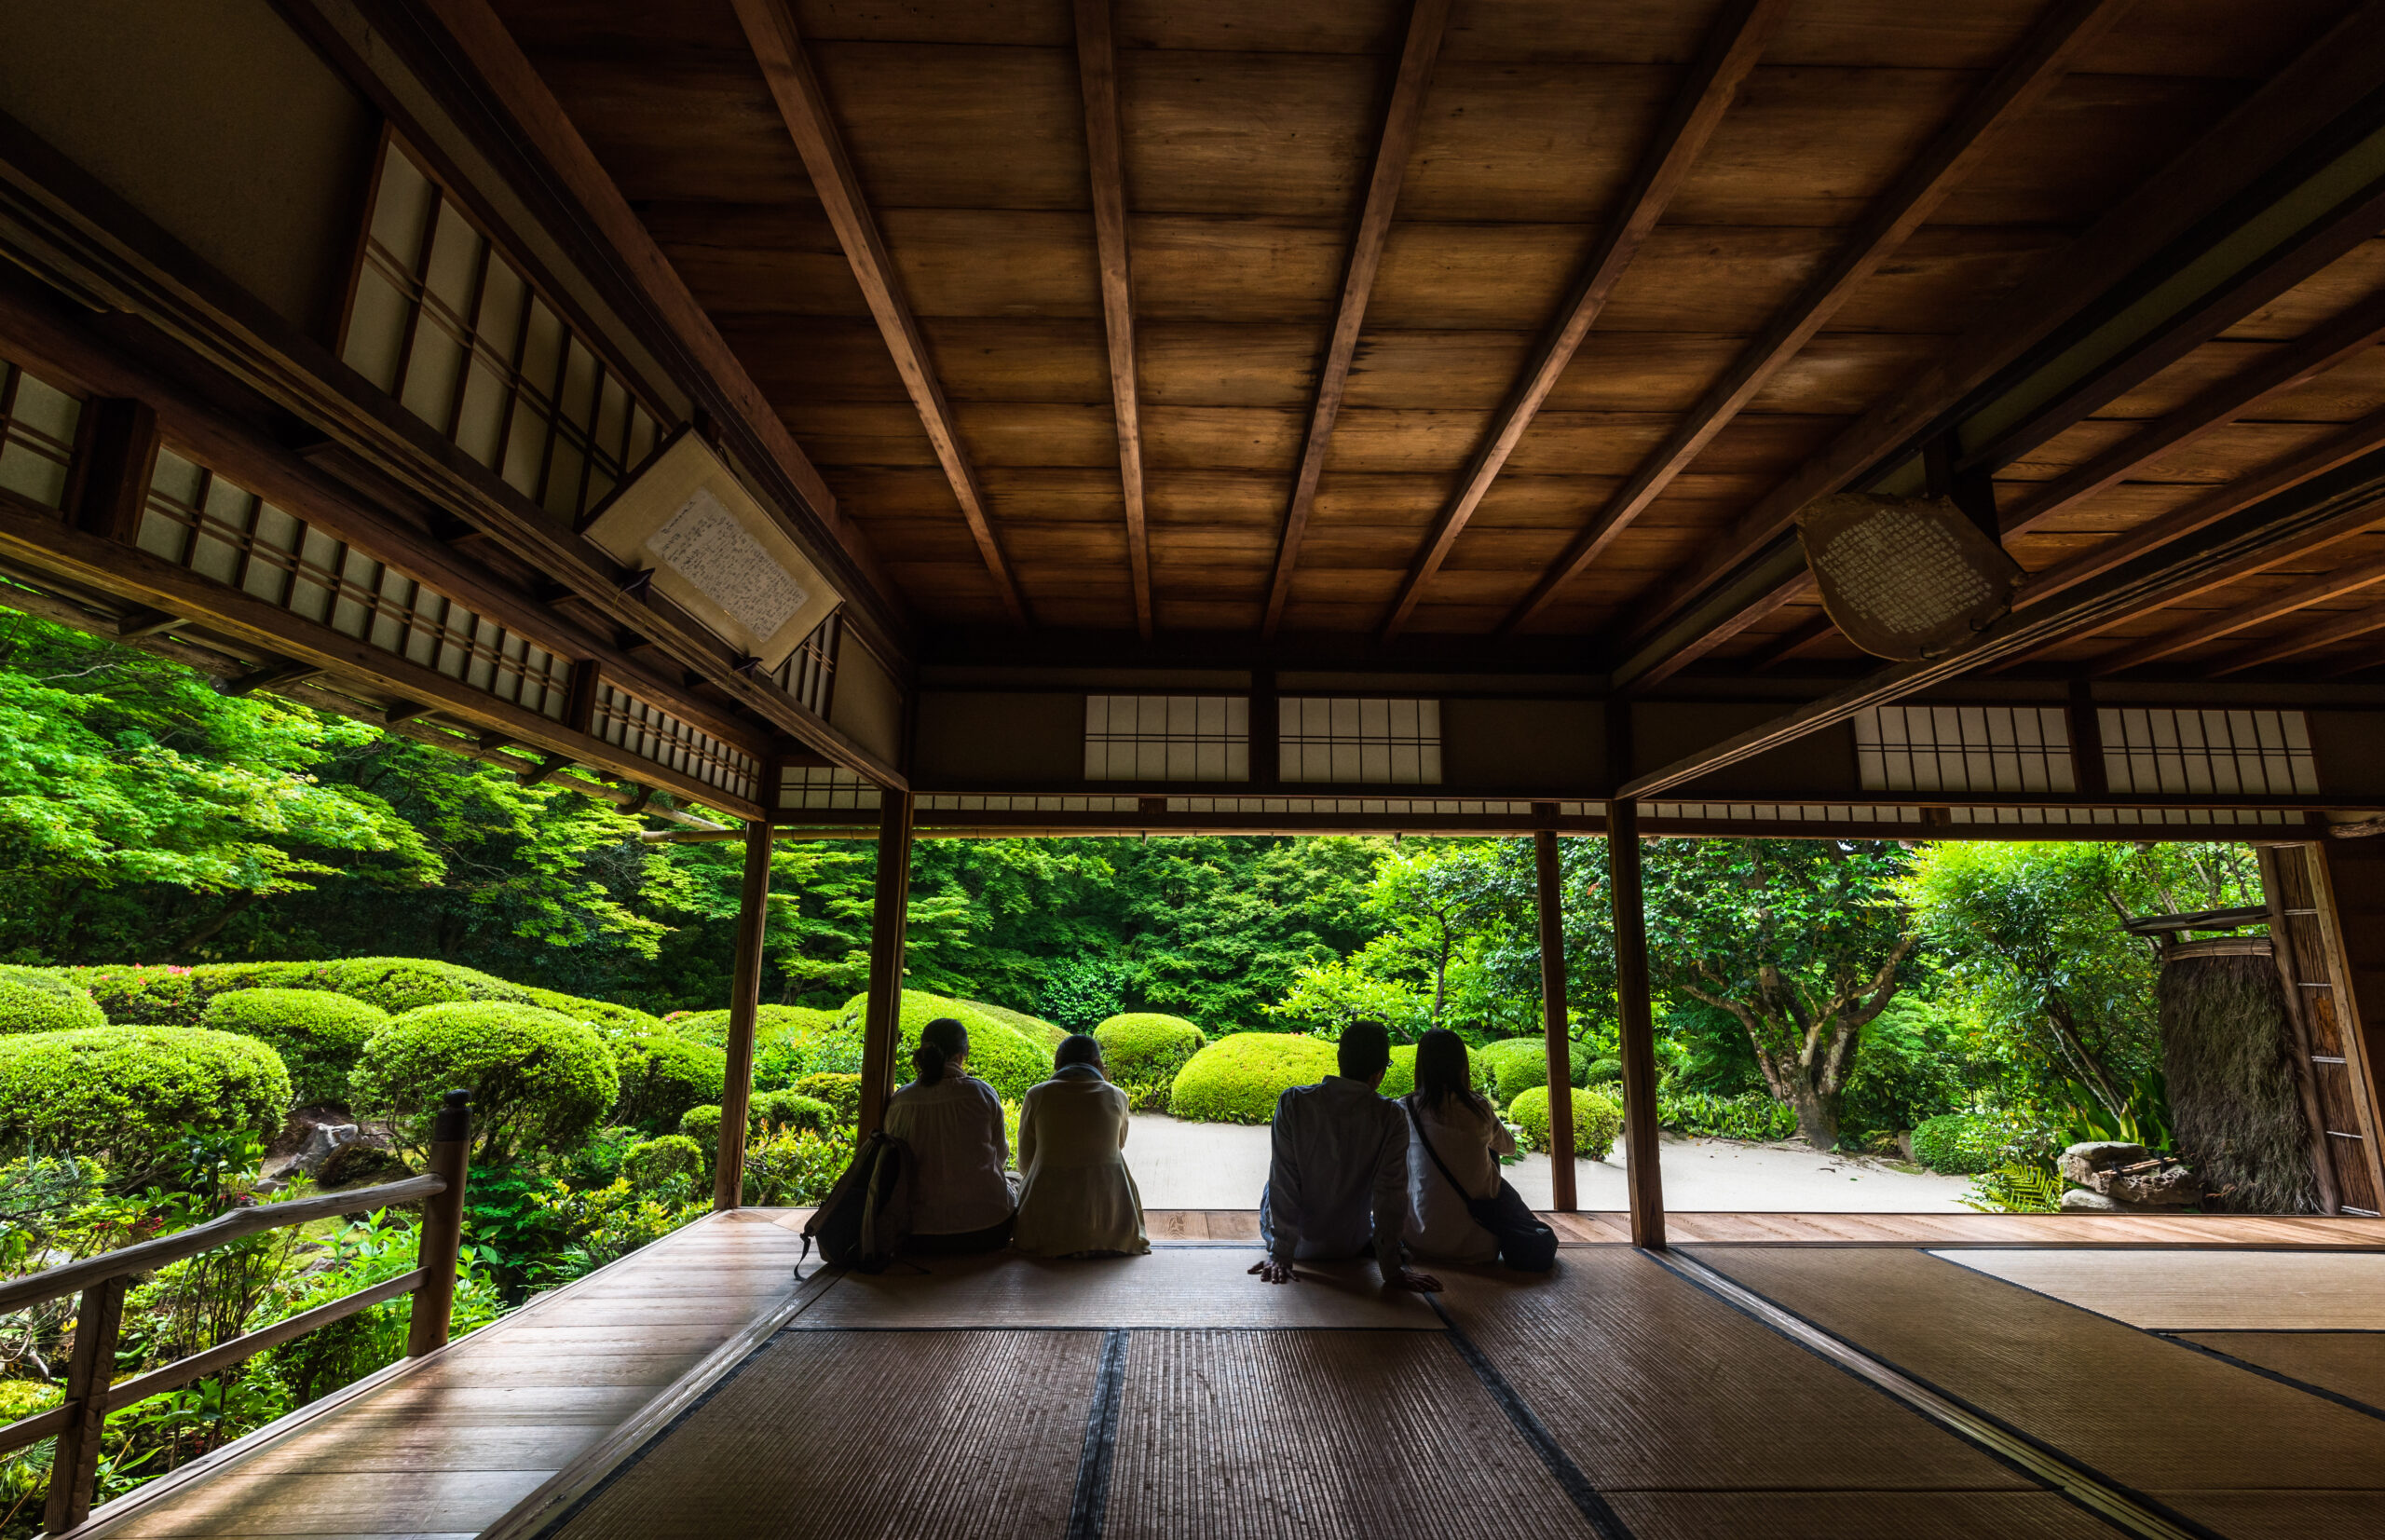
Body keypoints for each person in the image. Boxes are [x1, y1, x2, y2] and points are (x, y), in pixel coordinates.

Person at [1251, 1020, 1441, 1292]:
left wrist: (1281, 1255)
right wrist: (1392, 1269)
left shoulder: (1293, 1102)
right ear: (1380, 1072)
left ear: (1339, 1058)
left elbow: (1284, 1182)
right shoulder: (1390, 1116)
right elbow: (1391, 1193)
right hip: (1350, 1243)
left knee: (1276, 1180)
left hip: (1299, 1249)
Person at [879, 1015, 1015, 1253]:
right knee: (1016, 1178)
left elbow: (893, 1159)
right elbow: (1001, 1156)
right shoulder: (982, 1093)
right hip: (989, 1230)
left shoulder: (901, 1100)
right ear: (962, 1055)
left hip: (916, 1236)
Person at [1011, 1034, 1150, 1258]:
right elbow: (1118, 1144)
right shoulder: (1117, 1096)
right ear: (1097, 1064)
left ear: (1058, 1064)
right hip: (1111, 1226)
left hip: (1047, 1229)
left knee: (1015, 1177)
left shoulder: (1038, 1095)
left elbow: (1025, 1161)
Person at [1399, 1028, 1516, 1263]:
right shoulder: (1479, 1108)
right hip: (1481, 1246)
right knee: (1490, 1151)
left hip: (1421, 1243)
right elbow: (1509, 1147)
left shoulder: (1404, 1109)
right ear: (1462, 1065)